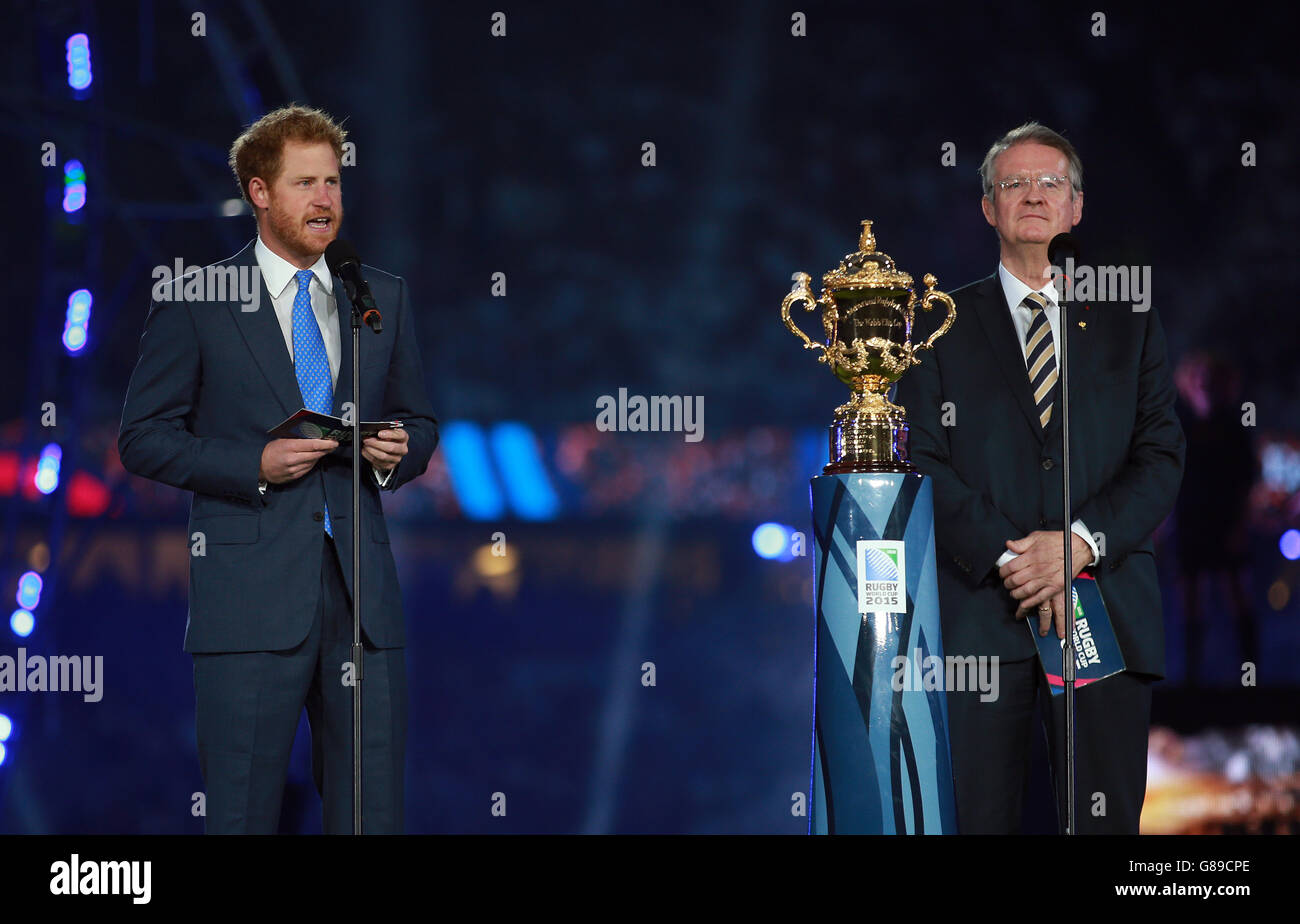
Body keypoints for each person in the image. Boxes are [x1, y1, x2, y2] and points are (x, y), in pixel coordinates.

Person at [118, 104, 438, 834]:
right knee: (241, 817)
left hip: (364, 606)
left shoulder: (377, 294)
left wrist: (399, 452)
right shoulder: (196, 298)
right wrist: (253, 464)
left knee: (371, 818)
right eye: (304, 183)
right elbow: (142, 438)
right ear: (259, 192)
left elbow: (419, 421)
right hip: (248, 603)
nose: (325, 199)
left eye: (332, 182)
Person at [895, 122, 1184, 833]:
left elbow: (1160, 457)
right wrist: (1013, 556)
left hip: (1105, 618)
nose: (1033, 194)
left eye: (1051, 182)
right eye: (1013, 183)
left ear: (1076, 208)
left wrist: (1079, 544)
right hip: (975, 625)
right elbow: (919, 461)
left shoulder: (1130, 321)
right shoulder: (937, 326)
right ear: (988, 208)